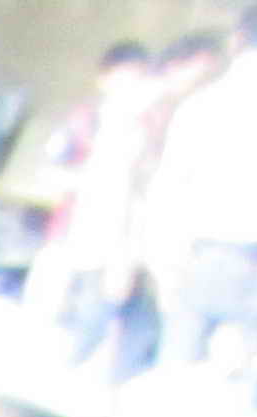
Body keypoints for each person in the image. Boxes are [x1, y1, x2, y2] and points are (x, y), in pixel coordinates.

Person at [148, 6, 257, 375]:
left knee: (174, 376)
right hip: (254, 263)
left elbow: (168, 188)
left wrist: (163, 264)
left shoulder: (198, 103)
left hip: (195, 258)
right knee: (250, 378)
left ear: (235, 40)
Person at [30, 42, 171, 373]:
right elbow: (49, 171)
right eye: (123, 79)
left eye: (138, 79)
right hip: (70, 233)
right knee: (49, 311)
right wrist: (92, 180)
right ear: (103, 79)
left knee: (100, 317)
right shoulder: (83, 121)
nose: (130, 88)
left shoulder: (151, 128)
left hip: (119, 244)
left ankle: (78, 371)